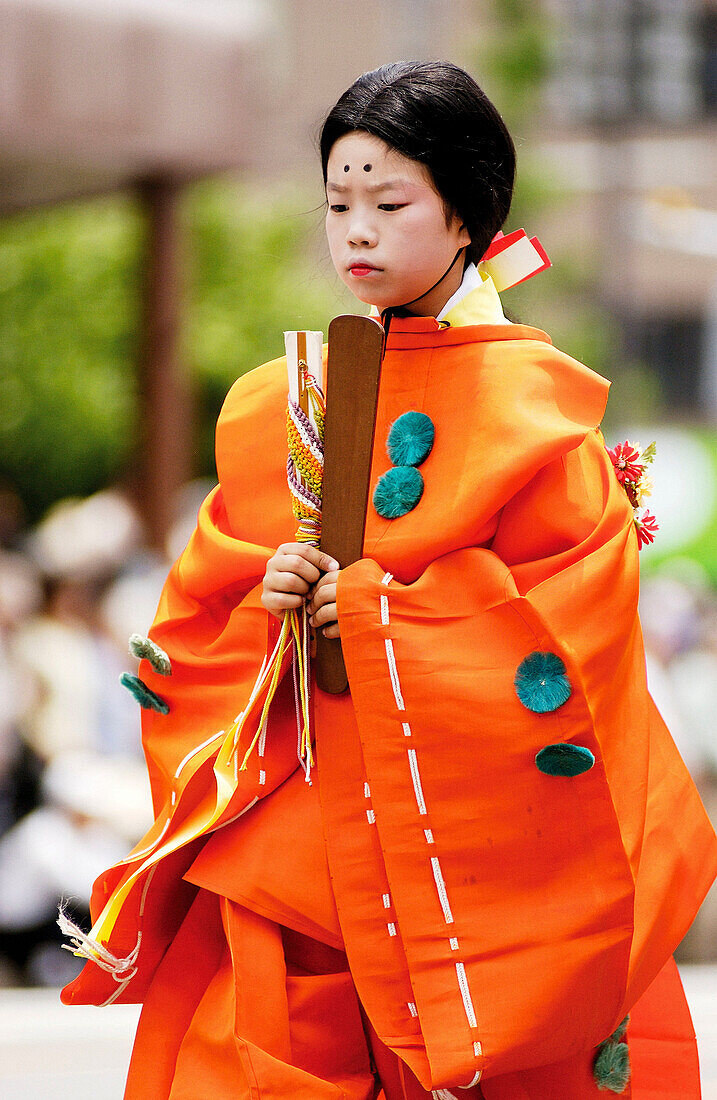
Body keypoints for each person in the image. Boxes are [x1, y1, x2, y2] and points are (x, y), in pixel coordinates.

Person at [61, 61, 717, 1100]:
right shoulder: (281, 401)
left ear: (466, 215)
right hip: (299, 840)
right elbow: (200, 615)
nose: (356, 229)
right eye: (337, 203)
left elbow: (574, 635)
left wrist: (379, 618)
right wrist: (270, 603)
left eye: (389, 201)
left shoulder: (537, 419)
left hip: (475, 856)